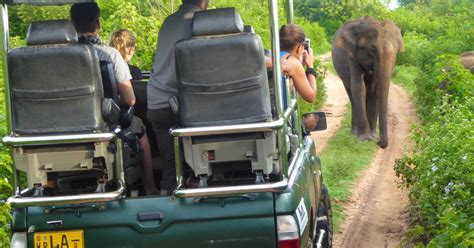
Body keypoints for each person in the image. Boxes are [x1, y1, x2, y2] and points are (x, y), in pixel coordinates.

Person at [70, 3, 159, 196]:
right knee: (140, 127)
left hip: (63, 126)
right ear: (98, 24)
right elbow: (130, 100)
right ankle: (151, 188)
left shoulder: (58, 57)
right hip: (102, 124)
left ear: (72, 24)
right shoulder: (109, 54)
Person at [147, 0, 209, 195]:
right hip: (188, 106)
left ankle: (167, 203)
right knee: (201, 164)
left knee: (170, 168)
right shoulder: (201, 23)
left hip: (157, 101)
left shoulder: (169, 22)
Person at [279, 24, 317, 108]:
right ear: (300, 48)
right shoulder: (293, 63)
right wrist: (310, 67)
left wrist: (301, 64)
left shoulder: (274, 57)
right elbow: (311, 97)